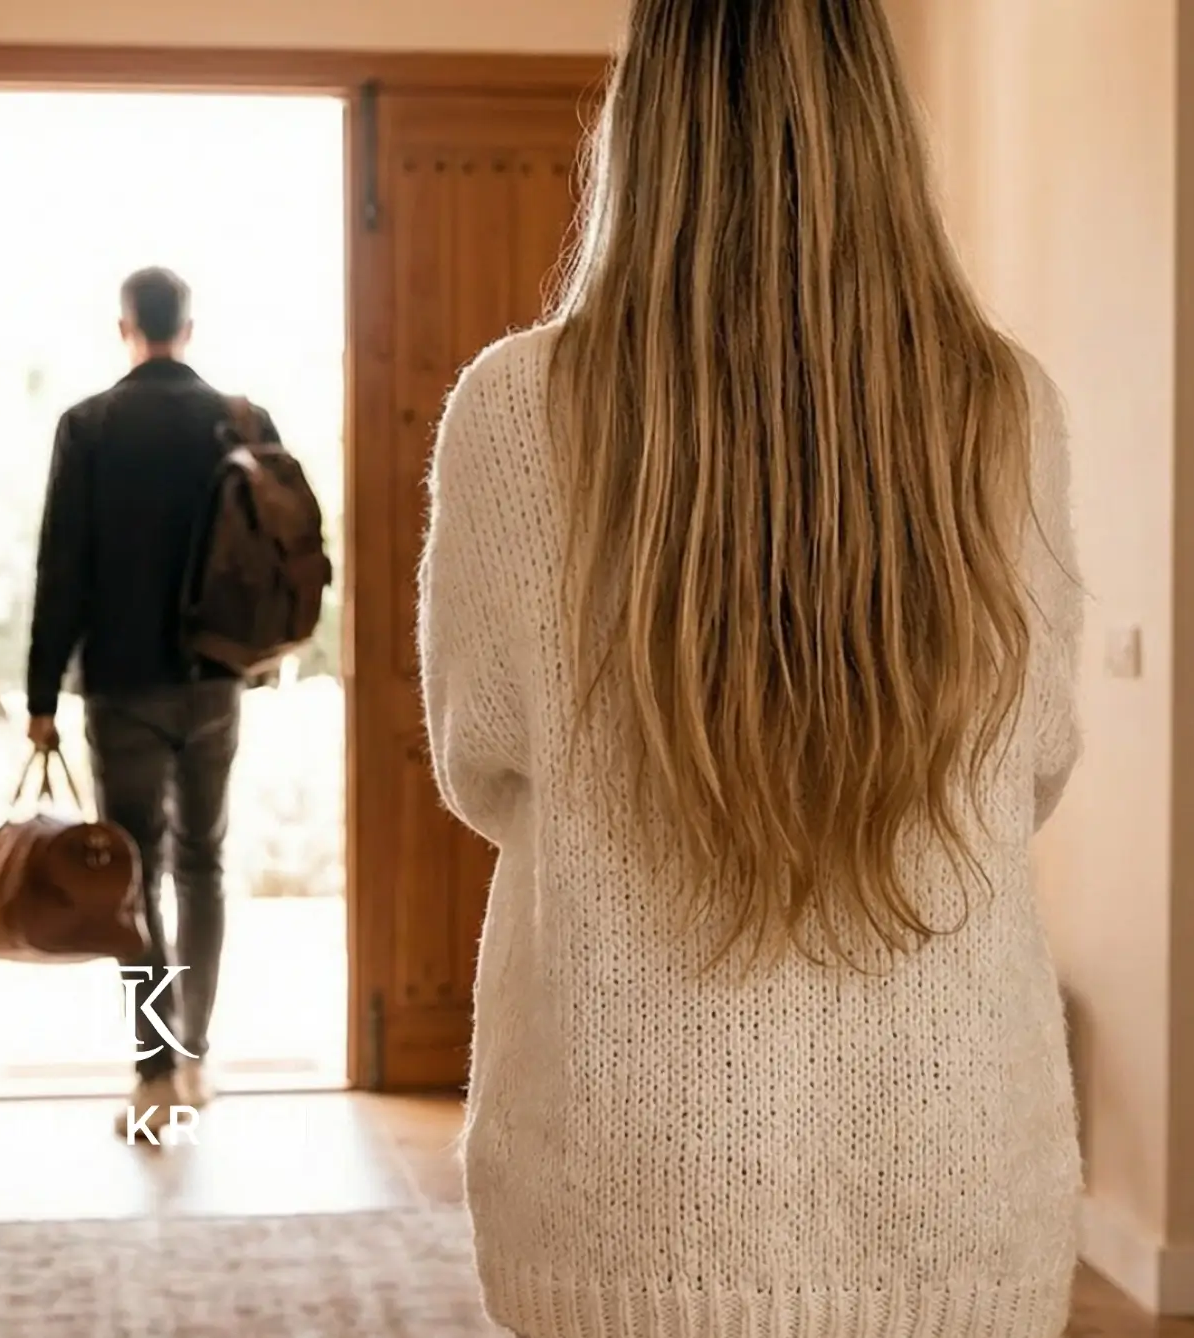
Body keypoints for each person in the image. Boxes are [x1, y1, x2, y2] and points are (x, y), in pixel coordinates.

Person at [417, 1, 1084, 1335]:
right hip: (954, 1171)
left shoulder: (514, 410)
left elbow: (482, 758)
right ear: (879, 127)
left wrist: (655, 792)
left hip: (628, 1178)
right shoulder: (1005, 406)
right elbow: (1037, 756)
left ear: (647, 119)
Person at [26, 266, 277, 1134]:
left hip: (122, 685)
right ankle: (195, 1058)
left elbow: (60, 568)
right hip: (216, 680)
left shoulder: (89, 426)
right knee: (204, 864)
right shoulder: (240, 421)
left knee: (131, 879)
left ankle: (155, 1071)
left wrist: (40, 693)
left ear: (124, 325)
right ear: (190, 326)